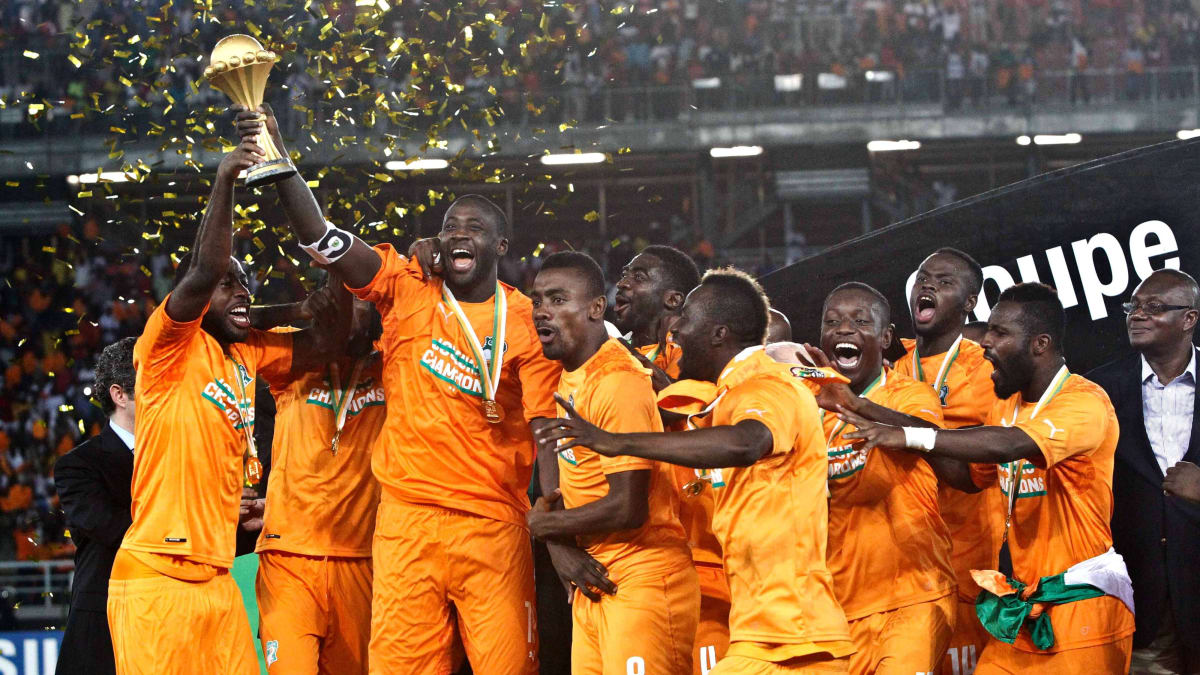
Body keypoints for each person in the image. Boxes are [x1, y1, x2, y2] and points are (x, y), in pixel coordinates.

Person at [256, 106, 563, 672]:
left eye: (475, 228)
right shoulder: (407, 285)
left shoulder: (527, 321)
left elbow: (546, 427)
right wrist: (281, 161)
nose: (459, 233)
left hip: (493, 523)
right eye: (450, 226)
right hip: (405, 522)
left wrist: (557, 516)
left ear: (501, 246)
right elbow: (322, 239)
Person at [535, 269, 854, 674]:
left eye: (686, 317)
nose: (675, 330)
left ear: (718, 333)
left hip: (795, 639)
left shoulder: (766, 385)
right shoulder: (726, 396)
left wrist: (617, 441)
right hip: (763, 633)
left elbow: (746, 442)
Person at [106, 119, 333, 674]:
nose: (242, 291)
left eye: (247, 283)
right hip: (156, 574)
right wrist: (226, 179)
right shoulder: (165, 346)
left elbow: (325, 343)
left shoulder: (246, 354)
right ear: (200, 296)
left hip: (218, 575)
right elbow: (206, 269)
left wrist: (322, 282)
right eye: (230, 285)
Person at [839, 282, 1135, 673]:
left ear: (1040, 344)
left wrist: (910, 437)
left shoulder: (1085, 403)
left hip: (1083, 608)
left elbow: (1008, 445)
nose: (985, 343)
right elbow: (966, 477)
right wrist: (863, 407)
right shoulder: (1005, 406)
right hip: (1022, 606)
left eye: (1000, 333)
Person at [527, 251, 699, 674]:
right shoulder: (572, 375)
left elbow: (628, 506)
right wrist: (560, 545)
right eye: (537, 301)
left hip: (643, 577)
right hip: (597, 577)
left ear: (595, 308)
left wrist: (545, 526)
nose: (542, 311)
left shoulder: (617, 379)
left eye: (558, 300)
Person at [807, 282, 956, 675]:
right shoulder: (806, 406)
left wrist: (856, 405)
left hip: (914, 597)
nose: (843, 329)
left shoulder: (911, 395)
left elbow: (929, 436)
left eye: (860, 322)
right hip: (838, 608)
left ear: (886, 337)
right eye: (832, 322)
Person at [250, 276, 385, 674]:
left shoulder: (392, 367)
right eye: (336, 301)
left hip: (362, 559)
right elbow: (234, 325)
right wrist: (299, 309)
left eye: (356, 301)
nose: (344, 311)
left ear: (376, 312)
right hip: (288, 557)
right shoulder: (296, 360)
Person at [612, 246, 731, 673]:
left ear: (674, 299)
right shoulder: (608, 358)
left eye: (639, 276)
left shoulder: (698, 355)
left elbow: (683, 406)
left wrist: (622, 359)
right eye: (624, 273)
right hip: (636, 560)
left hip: (705, 559)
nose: (623, 283)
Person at [893, 249, 1005, 675]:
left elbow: (974, 479)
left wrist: (907, 432)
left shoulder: (987, 371)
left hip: (968, 563)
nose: (928, 286)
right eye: (923, 278)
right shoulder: (891, 366)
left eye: (944, 282)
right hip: (903, 566)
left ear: (969, 302)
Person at [1089, 268, 1200, 674]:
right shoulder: (1097, 390)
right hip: (1140, 601)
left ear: (1189, 318)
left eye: (1154, 307)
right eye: (1133, 306)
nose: (1137, 315)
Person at [55, 337, 137, 675]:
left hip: (175, 613)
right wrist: (189, 515)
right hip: (104, 623)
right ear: (120, 395)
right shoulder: (79, 465)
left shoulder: (182, 457)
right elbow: (110, 527)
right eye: (155, 384)